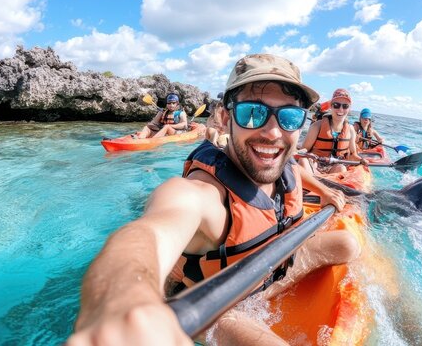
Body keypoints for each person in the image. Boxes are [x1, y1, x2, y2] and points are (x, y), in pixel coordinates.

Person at [67, 54, 360, 345]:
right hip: (217, 305)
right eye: (252, 113)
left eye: (289, 116)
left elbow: (292, 165)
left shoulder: (281, 160)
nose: (273, 132)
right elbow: (149, 233)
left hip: (268, 273)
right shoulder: (203, 195)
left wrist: (323, 190)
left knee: (347, 244)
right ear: (224, 117)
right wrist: (123, 300)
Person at [298, 88, 368, 175]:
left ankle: (324, 185)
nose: (341, 109)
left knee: (341, 168)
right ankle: (312, 183)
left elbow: (353, 154)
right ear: (331, 106)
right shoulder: (316, 126)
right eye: (336, 105)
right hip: (315, 164)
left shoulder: (350, 129)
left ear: (349, 109)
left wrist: (361, 160)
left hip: (335, 167)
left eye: (345, 106)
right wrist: (301, 153)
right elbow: (305, 149)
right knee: (303, 161)